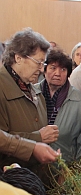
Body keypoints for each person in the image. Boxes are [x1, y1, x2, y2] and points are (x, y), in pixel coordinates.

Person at [0, 28, 60, 182]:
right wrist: (37, 140)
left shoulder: (33, 88)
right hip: (10, 181)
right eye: (38, 62)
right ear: (18, 58)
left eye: (43, 63)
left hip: (33, 178)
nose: (42, 69)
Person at [35, 49, 81, 163]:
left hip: (64, 163)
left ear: (68, 73)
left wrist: (77, 169)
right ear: (44, 69)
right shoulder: (32, 93)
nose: (57, 73)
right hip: (34, 161)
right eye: (53, 68)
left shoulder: (78, 99)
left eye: (63, 69)